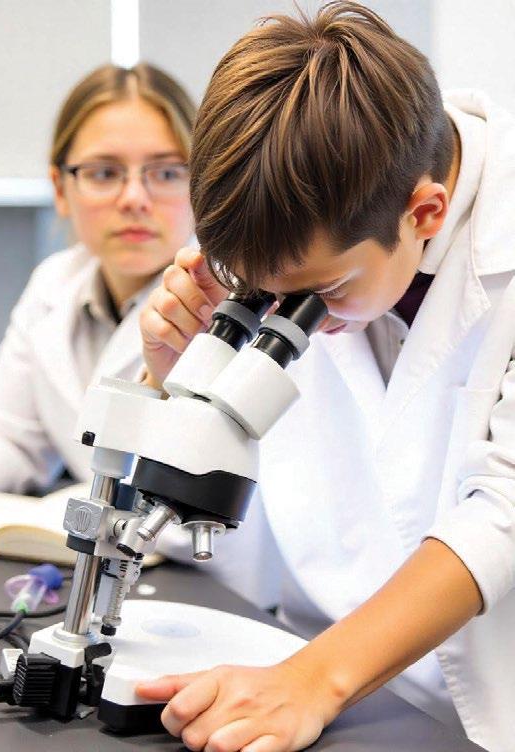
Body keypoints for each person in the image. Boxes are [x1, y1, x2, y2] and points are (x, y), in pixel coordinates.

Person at [135, 4, 515, 752]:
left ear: (425, 212)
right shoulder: (298, 211)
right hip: (324, 669)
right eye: (259, 291)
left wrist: (315, 680)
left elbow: (502, 510)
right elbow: (225, 533)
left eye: (318, 295)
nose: (288, 319)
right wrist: (173, 385)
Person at [0, 63, 195, 493]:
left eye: (167, 173)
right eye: (105, 173)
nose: (134, 198)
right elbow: (6, 438)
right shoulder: (53, 285)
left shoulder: (232, 300)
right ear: (60, 189)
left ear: (200, 185)